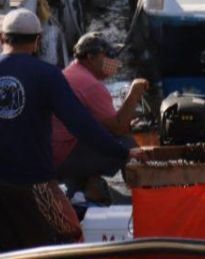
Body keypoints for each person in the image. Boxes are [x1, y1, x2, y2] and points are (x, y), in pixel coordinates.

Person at [0, 9, 145, 252]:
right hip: (34, 183)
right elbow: (82, 125)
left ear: (1, 38)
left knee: (9, 250)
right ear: (38, 41)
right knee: (70, 236)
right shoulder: (48, 75)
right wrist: (122, 153)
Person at [51, 33, 150, 201]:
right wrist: (135, 91)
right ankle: (145, 197)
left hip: (51, 152)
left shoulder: (71, 71)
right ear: (90, 57)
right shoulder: (90, 85)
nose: (114, 63)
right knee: (127, 144)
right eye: (109, 56)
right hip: (63, 156)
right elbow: (119, 127)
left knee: (103, 136)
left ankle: (91, 184)